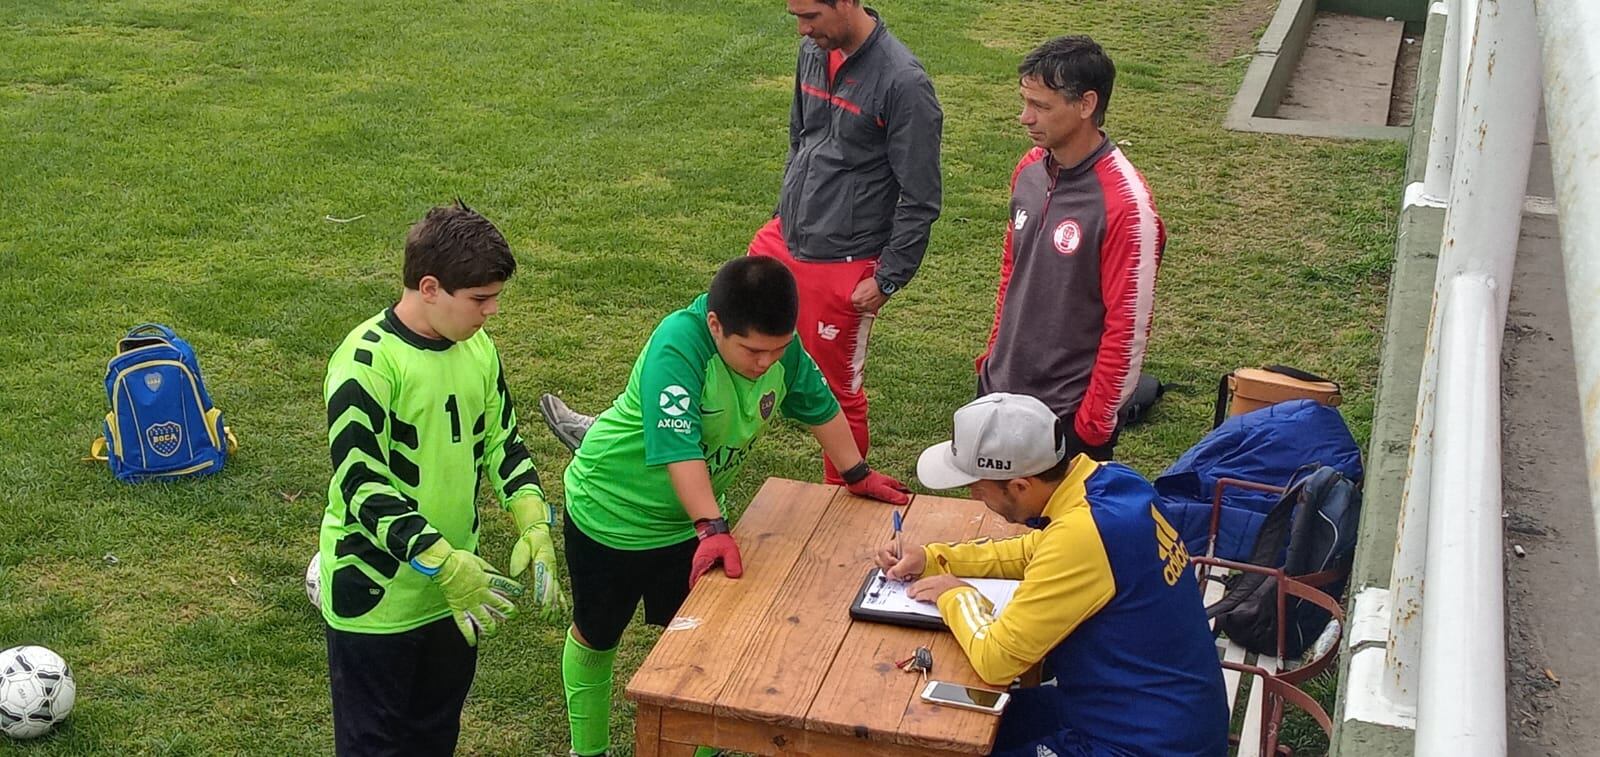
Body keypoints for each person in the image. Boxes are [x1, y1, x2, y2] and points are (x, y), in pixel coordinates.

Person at [540, 0, 942, 486]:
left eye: (810, 16)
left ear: (848, 3)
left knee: (833, 393)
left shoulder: (904, 83)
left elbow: (921, 195)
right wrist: (783, 213)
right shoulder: (816, 50)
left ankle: (844, 507)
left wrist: (888, 277)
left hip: (844, 262)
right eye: (795, 15)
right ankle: (612, 433)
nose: (801, 29)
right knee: (707, 333)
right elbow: (802, 138)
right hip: (784, 239)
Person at [559, 256, 910, 757]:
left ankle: (705, 750)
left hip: (691, 528)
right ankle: (586, 751)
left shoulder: (779, 349)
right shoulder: (677, 346)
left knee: (706, 644)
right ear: (715, 325)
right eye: (752, 350)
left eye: (778, 349)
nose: (765, 362)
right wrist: (712, 527)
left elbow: (818, 402)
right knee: (597, 633)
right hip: (612, 514)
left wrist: (856, 473)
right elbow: (679, 450)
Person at [318, 202, 563, 757]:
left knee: (435, 738)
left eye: (496, 297)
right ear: (429, 287)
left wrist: (533, 520)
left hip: (458, 596)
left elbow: (502, 439)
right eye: (480, 299)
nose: (493, 312)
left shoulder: (477, 347)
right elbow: (363, 484)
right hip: (377, 601)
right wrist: (441, 560)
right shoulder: (365, 363)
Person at [878, 393, 1227, 757]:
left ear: (1020, 486)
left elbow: (996, 660)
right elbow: (1033, 551)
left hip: (1140, 744)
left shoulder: (1082, 536)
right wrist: (934, 558)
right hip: (1138, 710)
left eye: (977, 486)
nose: (973, 495)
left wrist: (955, 594)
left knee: (948, 734)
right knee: (950, 725)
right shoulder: (1109, 481)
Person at [976, 36, 1166, 461]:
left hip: (1065, 415)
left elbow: (1127, 328)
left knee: (1057, 528)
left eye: (1040, 106)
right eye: (1025, 101)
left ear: (1086, 105)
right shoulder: (1028, 170)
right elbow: (1012, 271)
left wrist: (1093, 427)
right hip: (1000, 389)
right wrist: (991, 359)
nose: (1025, 118)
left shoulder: (1126, 205)